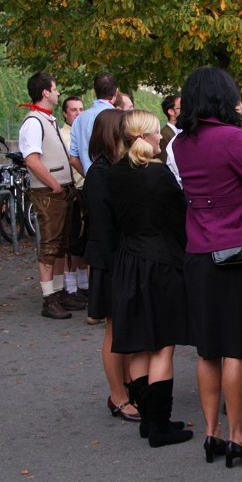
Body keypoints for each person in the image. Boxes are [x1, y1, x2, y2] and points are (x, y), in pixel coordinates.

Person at [171, 66, 242, 468]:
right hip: (234, 254)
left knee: (207, 349)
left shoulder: (180, 143)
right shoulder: (232, 138)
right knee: (236, 348)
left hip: (196, 253)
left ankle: (211, 433)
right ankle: (239, 438)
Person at [106, 110, 193, 447]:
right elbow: (179, 220)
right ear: (145, 136)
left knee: (141, 343)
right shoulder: (159, 176)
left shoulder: (114, 175)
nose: (161, 138)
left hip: (129, 262)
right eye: (157, 133)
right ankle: (159, 425)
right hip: (160, 264)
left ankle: (149, 421)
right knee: (162, 347)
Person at [81, 109, 140, 423]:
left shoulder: (110, 169)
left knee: (123, 327)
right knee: (114, 329)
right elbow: (106, 226)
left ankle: (128, 386)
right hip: (110, 259)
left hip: (116, 256)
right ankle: (117, 395)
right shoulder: (101, 173)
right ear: (114, 134)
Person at [17, 72, 85, 320]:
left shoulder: (46, 120)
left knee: (60, 246)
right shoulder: (34, 121)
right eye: (55, 89)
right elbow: (32, 160)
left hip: (61, 191)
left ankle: (58, 293)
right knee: (50, 246)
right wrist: (55, 185)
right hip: (50, 193)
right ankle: (49, 298)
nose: (58, 92)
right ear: (45, 92)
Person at [59, 97, 91, 310]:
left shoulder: (85, 131)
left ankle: (82, 284)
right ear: (65, 113)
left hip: (86, 189)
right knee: (71, 240)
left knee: (84, 241)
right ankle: (70, 287)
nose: (78, 113)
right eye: (73, 110)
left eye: (81, 109)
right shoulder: (62, 135)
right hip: (73, 188)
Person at [69, 72, 119, 177]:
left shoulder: (79, 119)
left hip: (92, 183)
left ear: (95, 91)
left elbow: (73, 159)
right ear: (116, 92)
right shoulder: (119, 118)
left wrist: (90, 178)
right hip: (116, 183)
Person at [157, 94, 181, 162]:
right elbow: (165, 161)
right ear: (171, 112)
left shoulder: (184, 130)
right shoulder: (163, 135)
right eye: (182, 107)